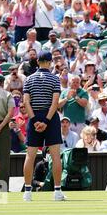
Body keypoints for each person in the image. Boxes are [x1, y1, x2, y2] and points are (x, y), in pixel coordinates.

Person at [22, 51, 66, 201]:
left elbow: (26, 102)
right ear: (49, 62)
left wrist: (34, 121)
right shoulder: (54, 79)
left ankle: (27, 192)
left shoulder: (28, 79)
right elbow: (55, 103)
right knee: (55, 156)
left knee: (30, 156)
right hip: (50, 118)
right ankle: (57, 192)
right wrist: (46, 121)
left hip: (34, 117)